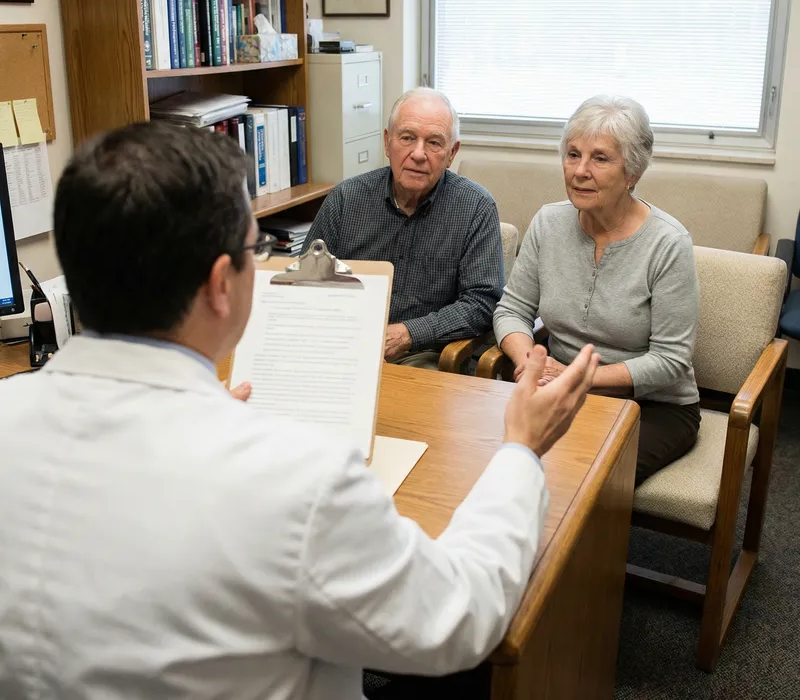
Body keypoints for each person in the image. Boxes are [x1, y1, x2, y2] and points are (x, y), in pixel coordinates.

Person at [0, 121, 600, 700]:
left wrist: (205, 412)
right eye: (253, 249)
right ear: (221, 284)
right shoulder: (297, 476)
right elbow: (463, 619)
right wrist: (521, 449)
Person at [494, 95, 701, 486]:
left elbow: (672, 360)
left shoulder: (668, 243)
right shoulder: (549, 222)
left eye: (600, 158)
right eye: (573, 155)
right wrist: (531, 363)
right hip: (558, 387)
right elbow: (512, 310)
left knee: (580, 477)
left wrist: (576, 376)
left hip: (654, 406)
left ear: (632, 172)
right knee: (501, 455)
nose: (580, 171)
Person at [304, 87, 503, 369]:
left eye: (434, 143)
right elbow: (304, 282)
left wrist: (411, 333)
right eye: (407, 138)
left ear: (452, 153)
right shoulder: (346, 198)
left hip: (425, 354)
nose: (418, 154)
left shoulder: (475, 207)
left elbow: (482, 303)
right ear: (387, 143)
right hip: (343, 344)